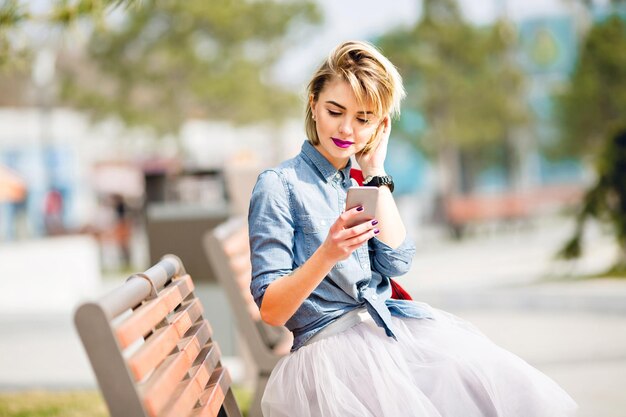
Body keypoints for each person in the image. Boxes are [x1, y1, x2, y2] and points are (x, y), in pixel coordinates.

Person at [248, 40, 577, 417]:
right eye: (334, 111)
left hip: (382, 332)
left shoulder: (356, 179)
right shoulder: (279, 184)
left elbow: (398, 260)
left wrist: (375, 171)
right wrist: (328, 254)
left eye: (363, 118)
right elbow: (272, 309)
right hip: (331, 355)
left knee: (505, 383)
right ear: (313, 102)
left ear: (380, 124)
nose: (346, 129)